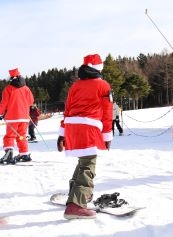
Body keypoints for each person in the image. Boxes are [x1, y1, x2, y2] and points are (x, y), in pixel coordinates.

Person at [57, 54, 113, 220]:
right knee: (88, 164)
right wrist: (107, 135)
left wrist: (62, 134)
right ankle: (76, 205)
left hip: (72, 127)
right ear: (99, 69)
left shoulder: (75, 86)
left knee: (83, 161)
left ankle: (75, 196)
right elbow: (107, 112)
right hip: (88, 127)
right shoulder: (103, 85)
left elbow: (67, 111)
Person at [0, 68, 35, 164]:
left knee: (9, 136)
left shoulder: (8, 89)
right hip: (24, 117)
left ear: (11, 78)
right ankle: (24, 153)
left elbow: (4, 103)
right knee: (22, 136)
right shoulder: (26, 88)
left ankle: (9, 155)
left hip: (12, 117)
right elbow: (31, 101)